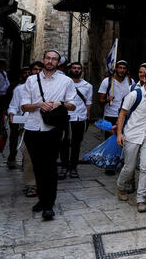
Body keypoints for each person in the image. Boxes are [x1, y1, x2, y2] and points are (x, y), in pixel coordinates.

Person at [21, 50, 76, 221]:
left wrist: (59, 103)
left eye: (54, 59)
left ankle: (49, 206)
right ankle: (42, 200)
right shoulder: (31, 80)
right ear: (43, 60)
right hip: (32, 129)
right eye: (48, 58)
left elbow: (73, 105)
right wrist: (39, 105)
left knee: (50, 168)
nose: (50, 61)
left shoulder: (66, 81)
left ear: (58, 62)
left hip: (53, 129)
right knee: (37, 167)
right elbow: (24, 106)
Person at [116, 68, 146, 212]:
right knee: (129, 168)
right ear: (144, 79)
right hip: (132, 135)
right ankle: (121, 187)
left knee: (145, 167)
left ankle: (141, 199)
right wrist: (119, 134)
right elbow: (122, 114)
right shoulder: (134, 95)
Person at [60, 62, 93, 180]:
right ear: (70, 70)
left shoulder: (87, 86)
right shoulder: (63, 84)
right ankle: (64, 166)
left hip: (80, 118)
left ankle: (73, 167)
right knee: (64, 143)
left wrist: (88, 116)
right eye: (74, 68)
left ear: (81, 71)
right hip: (66, 117)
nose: (76, 70)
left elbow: (88, 102)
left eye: (79, 68)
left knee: (76, 144)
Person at [6, 65, 32, 170]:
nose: (27, 74)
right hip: (17, 117)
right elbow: (10, 103)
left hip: (30, 120)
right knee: (14, 138)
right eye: (25, 73)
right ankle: (12, 156)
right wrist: (10, 114)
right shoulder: (16, 87)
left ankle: (25, 162)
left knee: (27, 141)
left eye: (28, 72)